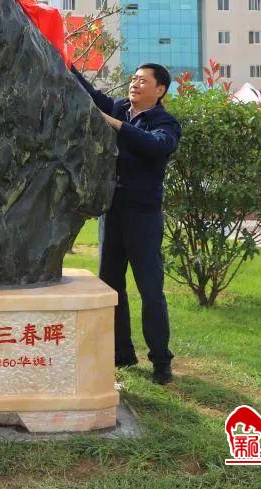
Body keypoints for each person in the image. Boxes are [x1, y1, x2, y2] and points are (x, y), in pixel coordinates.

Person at [72, 64, 182, 385]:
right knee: (111, 286)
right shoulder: (120, 107)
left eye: (142, 81)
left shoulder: (165, 123)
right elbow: (93, 96)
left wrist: (117, 125)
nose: (134, 84)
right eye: (133, 79)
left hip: (143, 215)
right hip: (113, 211)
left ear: (159, 90)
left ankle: (161, 361)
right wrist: (67, 63)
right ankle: (121, 354)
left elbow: (157, 146)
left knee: (150, 291)